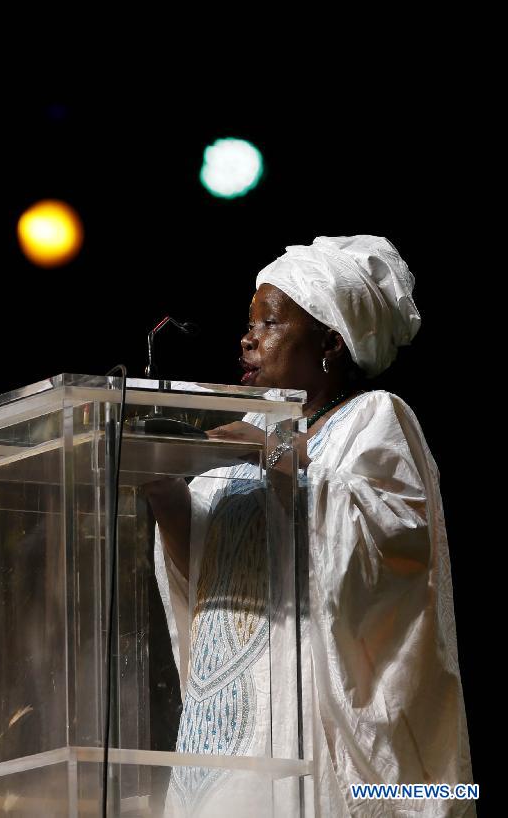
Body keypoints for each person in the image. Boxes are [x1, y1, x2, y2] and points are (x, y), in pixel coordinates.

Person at [146, 235, 475, 817]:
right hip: (221, 723)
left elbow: (385, 550)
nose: (248, 338)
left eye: (270, 323)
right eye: (250, 324)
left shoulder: (373, 418)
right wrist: (163, 488)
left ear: (329, 342)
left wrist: (273, 454)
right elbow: (201, 567)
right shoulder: (247, 430)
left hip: (303, 724)